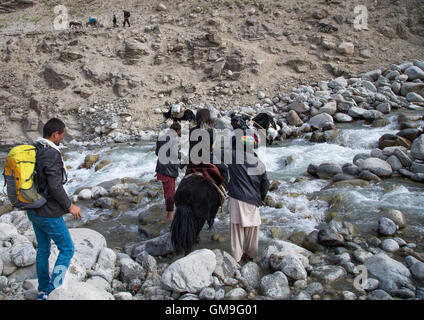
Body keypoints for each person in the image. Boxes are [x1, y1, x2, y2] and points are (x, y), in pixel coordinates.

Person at [26, 118, 82, 300]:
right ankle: (52, 291)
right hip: (47, 212)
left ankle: (43, 289)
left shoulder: (36, 149)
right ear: (55, 134)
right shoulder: (51, 153)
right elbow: (55, 186)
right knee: (67, 249)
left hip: (33, 208)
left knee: (43, 248)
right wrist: (70, 206)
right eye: (62, 134)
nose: (63, 138)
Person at [226, 133, 269, 266]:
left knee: (237, 230)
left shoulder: (233, 157)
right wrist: (261, 198)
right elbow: (265, 183)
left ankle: (237, 259)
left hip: (237, 199)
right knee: (253, 229)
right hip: (253, 200)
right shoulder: (259, 162)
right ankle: (250, 255)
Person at [155, 122, 182, 221]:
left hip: (160, 168)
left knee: (167, 190)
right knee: (171, 193)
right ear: (177, 131)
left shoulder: (161, 137)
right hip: (169, 170)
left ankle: (168, 208)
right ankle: (169, 215)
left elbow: (157, 153)